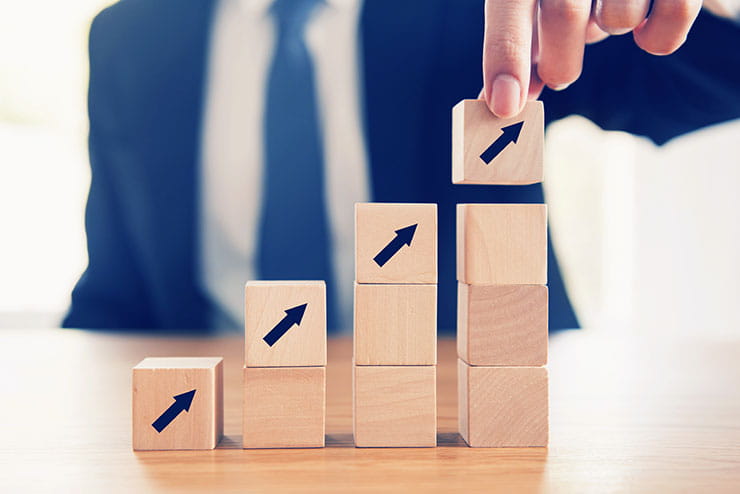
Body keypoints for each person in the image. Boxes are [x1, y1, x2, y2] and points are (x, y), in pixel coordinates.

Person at [63, 0, 740, 332]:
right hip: (222, 444)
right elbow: (114, 298)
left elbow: (703, 75)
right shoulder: (130, 38)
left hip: (483, 429)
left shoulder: (485, 9)